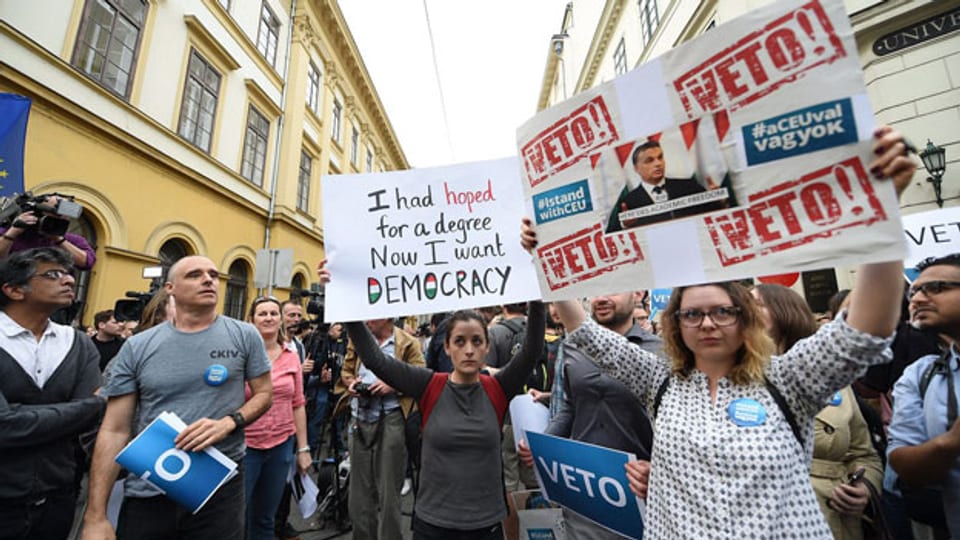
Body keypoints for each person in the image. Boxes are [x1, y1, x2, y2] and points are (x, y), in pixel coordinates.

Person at [523, 125, 914, 538]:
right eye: (692, 314)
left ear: (744, 317)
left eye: (722, 311)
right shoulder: (663, 383)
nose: (707, 323)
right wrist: (545, 260)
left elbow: (862, 333)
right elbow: (587, 333)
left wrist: (885, 213)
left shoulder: (787, 379)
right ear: (676, 325)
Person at [319, 260, 545, 540]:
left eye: (477, 341)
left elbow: (533, 349)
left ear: (487, 347)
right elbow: (375, 360)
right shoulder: (429, 385)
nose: (469, 350)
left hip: (485, 523)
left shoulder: (497, 387)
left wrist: (537, 293)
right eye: (460, 341)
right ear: (447, 348)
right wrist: (344, 302)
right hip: (432, 523)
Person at [81, 255, 273, 540]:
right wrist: (96, 515)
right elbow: (114, 429)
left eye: (213, 274)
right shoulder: (137, 346)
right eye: (195, 274)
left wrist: (229, 423)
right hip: (150, 486)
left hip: (219, 484)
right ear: (169, 288)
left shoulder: (245, 335)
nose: (208, 279)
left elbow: (265, 393)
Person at [520, 291, 661, 539]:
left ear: (637, 293)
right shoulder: (572, 346)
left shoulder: (661, 352)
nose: (602, 298)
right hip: (583, 490)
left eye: (613, 289)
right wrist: (541, 443)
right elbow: (570, 405)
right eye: (596, 290)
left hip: (639, 493)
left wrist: (660, 472)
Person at [753, 283, 883, 540]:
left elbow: (863, 453)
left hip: (835, 519)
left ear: (785, 313)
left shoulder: (832, 379)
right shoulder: (727, 381)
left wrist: (865, 487)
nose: (741, 313)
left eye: (754, 305)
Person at [0, 247, 103, 539]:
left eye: (70, 274)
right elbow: (4, 427)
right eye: (53, 274)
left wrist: (21, 415)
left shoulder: (79, 344)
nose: (69, 280)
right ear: (14, 290)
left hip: (57, 498)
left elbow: (91, 419)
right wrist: (90, 407)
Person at [888, 253, 960, 539]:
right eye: (914, 291)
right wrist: (949, 443)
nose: (916, 300)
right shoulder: (920, 376)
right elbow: (904, 464)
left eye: (937, 288)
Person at [340, 316, 424, 540]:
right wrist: (351, 384)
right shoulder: (357, 339)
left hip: (392, 418)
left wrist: (392, 385)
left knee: (389, 492)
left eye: (372, 316)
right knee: (359, 493)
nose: (367, 321)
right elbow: (346, 371)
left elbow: (421, 378)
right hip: (360, 417)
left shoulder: (407, 342)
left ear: (387, 316)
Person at [243, 296, 311, 540]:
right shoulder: (241, 355)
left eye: (274, 313)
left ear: (280, 319)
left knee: (265, 518)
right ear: (251, 319)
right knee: (236, 515)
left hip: (281, 445)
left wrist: (303, 449)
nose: (269, 318)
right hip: (245, 446)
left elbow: (298, 404)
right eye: (262, 313)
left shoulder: (292, 356)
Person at [606, 139, 723, 232]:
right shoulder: (628, 202)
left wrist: (720, 201)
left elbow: (715, 216)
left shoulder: (689, 186)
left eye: (660, 157)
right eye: (650, 160)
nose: (658, 163)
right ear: (636, 169)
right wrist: (626, 226)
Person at [0, 195, 96, 270]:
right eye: (53, 214)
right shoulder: (11, 233)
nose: (59, 219)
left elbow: (87, 262)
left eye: (63, 216)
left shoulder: (72, 240)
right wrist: (13, 232)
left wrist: (59, 239)